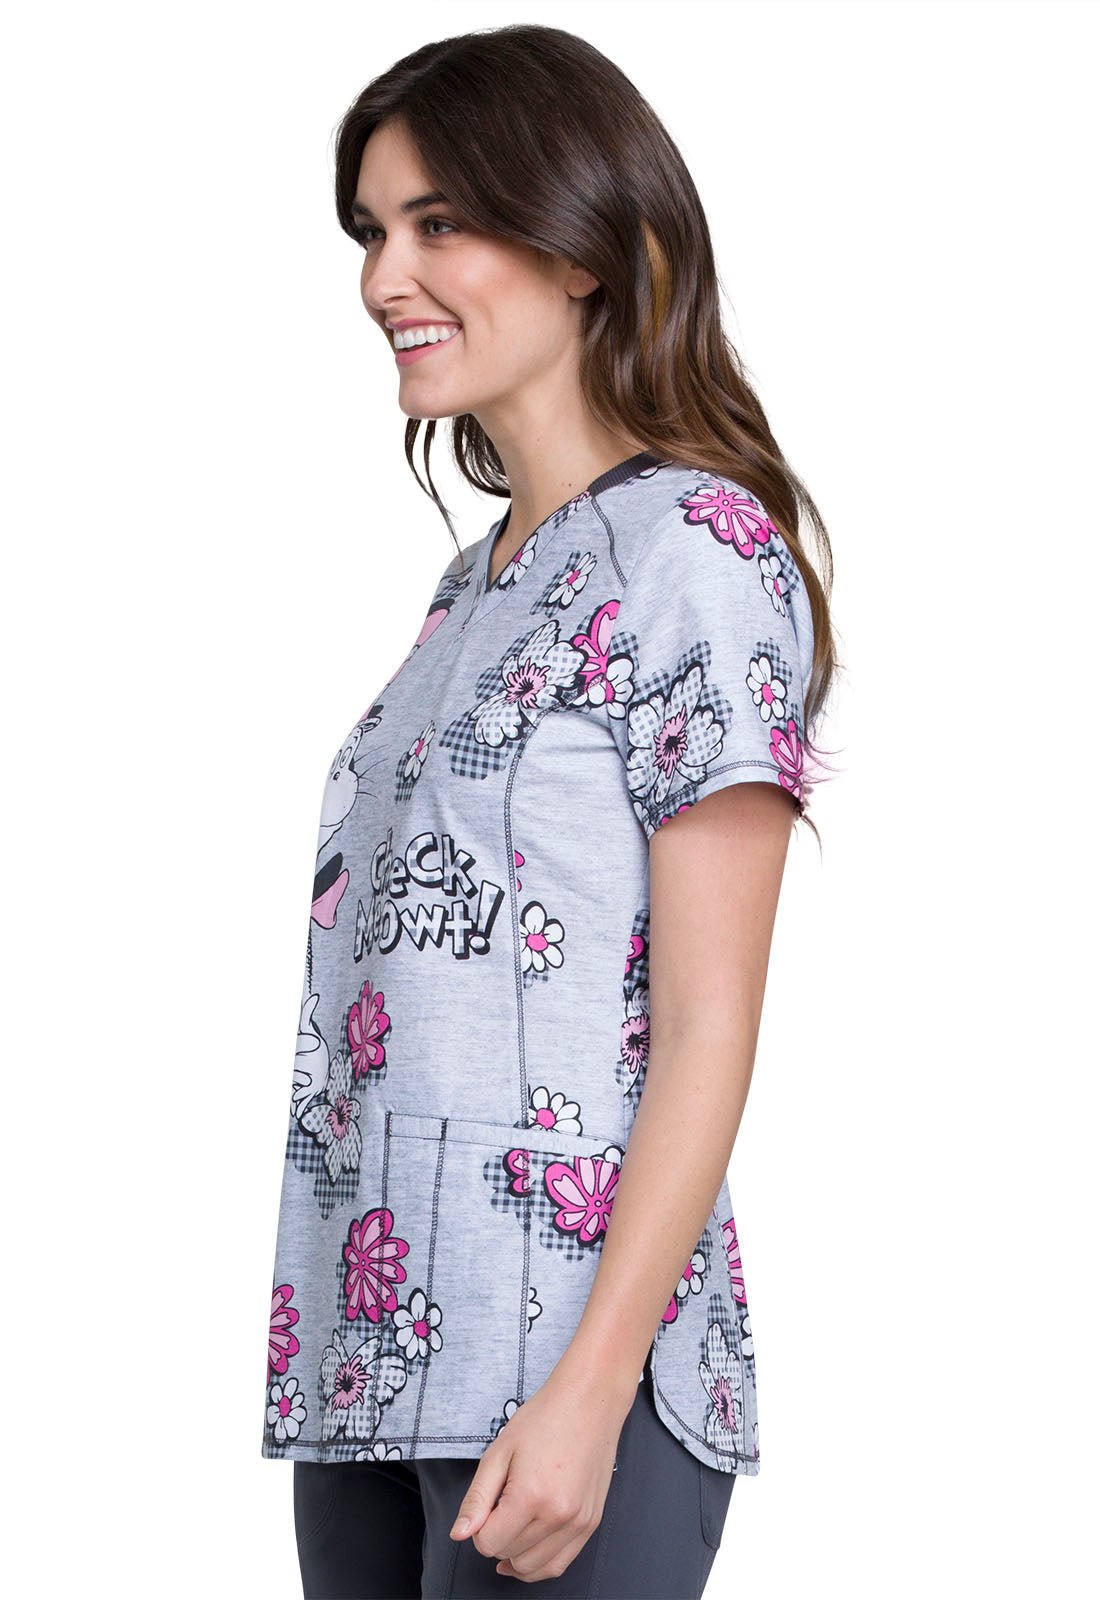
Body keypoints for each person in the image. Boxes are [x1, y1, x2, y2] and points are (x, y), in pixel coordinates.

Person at [262, 22, 838, 1599]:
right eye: (372, 230)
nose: (385, 276)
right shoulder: (472, 586)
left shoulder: (699, 550)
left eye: (440, 222)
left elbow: (709, 1024)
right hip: (372, 1362)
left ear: (585, 248)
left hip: (569, 1375)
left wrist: (590, 1394)